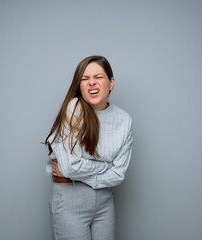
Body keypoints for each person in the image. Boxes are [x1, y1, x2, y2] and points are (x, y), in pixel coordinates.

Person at [44, 55, 133, 240]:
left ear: (111, 82)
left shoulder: (124, 120)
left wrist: (82, 173)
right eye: (84, 79)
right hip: (69, 201)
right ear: (79, 85)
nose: (91, 83)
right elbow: (70, 167)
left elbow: (119, 175)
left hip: (105, 203)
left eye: (98, 77)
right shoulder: (73, 109)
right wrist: (106, 166)